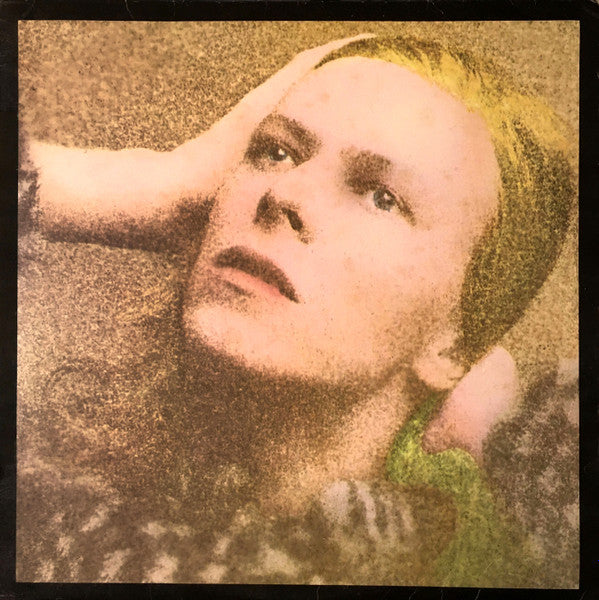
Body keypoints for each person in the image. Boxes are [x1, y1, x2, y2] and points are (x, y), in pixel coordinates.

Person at [17, 33, 577, 586]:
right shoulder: (52, 526)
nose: (284, 194)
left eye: (381, 196)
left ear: (454, 343)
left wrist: (510, 440)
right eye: (275, 152)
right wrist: (152, 185)